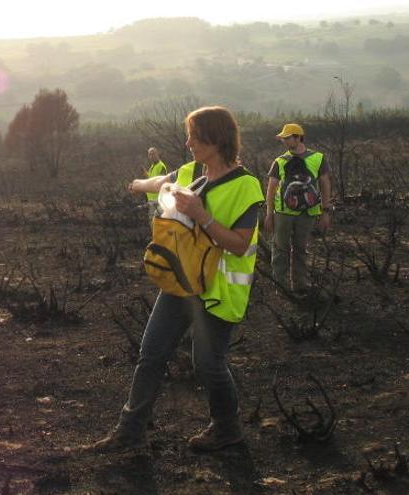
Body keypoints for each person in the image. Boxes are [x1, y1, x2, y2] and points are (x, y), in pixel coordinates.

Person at [88, 106, 264, 453]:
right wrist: (139, 185)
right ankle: (130, 430)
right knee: (151, 353)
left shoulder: (246, 186)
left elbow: (241, 246)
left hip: (217, 291)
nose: (188, 143)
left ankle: (227, 428)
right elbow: (164, 181)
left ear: (217, 139)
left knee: (208, 365)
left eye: (195, 137)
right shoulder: (193, 171)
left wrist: (201, 215)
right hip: (182, 284)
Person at [264, 123, 333, 296]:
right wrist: (269, 214)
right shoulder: (280, 161)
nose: (284, 141)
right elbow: (271, 189)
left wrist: (326, 211)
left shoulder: (318, 158)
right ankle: (279, 285)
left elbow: (325, 184)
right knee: (280, 248)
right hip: (283, 213)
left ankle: (300, 284)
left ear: (298, 137)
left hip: (307, 213)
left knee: (301, 248)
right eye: (283, 138)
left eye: (287, 138)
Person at [142, 147, 168, 220]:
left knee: (159, 221)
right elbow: (151, 179)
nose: (151, 156)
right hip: (151, 200)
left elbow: (162, 182)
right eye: (149, 154)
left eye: (153, 154)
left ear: (157, 154)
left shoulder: (161, 166)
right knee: (152, 220)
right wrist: (146, 174)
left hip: (158, 200)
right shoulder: (152, 166)